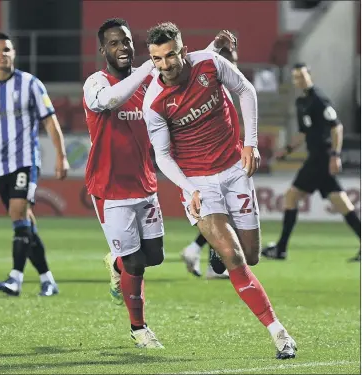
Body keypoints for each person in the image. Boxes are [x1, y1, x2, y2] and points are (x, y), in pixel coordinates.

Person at [143, 22, 297, 359]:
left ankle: (218, 251)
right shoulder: (154, 102)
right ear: (151, 59)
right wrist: (187, 188)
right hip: (198, 183)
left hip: (234, 170)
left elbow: (246, 91)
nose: (166, 65)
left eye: (171, 56)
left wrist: (251, 144)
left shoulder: (209, 65)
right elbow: (164, 156)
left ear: (183, 51)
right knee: (236, 258)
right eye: (157, 59)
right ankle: (280, 333)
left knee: (252, 254)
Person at [82, 18, 166, 349]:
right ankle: (139, 329)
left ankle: (114, 262)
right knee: (136, 264)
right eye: (114, 43)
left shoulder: (150, 83)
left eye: (127, 41)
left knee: (154, 256)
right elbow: (110, 101)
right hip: (110, 188)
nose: (122, 48)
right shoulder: (95, 83)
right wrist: (146, 70)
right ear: (103, 49)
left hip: (144, 184)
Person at [0, 32, 69, 297]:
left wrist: (62, 155)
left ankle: (15, 278)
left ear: (14, 54)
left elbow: (50, 121)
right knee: (24, 222)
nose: (3, 54)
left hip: (25, 160)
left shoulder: (30, 84)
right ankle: (48, 279)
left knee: (18, 213)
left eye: (8, 49)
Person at [261, 63, 361, 262]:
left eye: (303, 76)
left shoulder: (319, 100)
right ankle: (281, 248)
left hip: (321, 157)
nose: (300, 80)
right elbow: (303, 133)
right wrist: (287, 150)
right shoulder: (301, 102)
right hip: (316, 157)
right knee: (340, 201)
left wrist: (335, 155)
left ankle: (281, 248)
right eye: (296, 77)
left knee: (291, 196)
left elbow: (337, 128)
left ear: (310, 76)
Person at [181, 40, 239, 280]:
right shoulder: (211, 87)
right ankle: (208, 260)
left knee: (225, 213)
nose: (235, 64)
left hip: (223, 158)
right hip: (212, 163)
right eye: (231, 60)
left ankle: (201, 255)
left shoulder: (223, 87)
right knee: (224, 213)